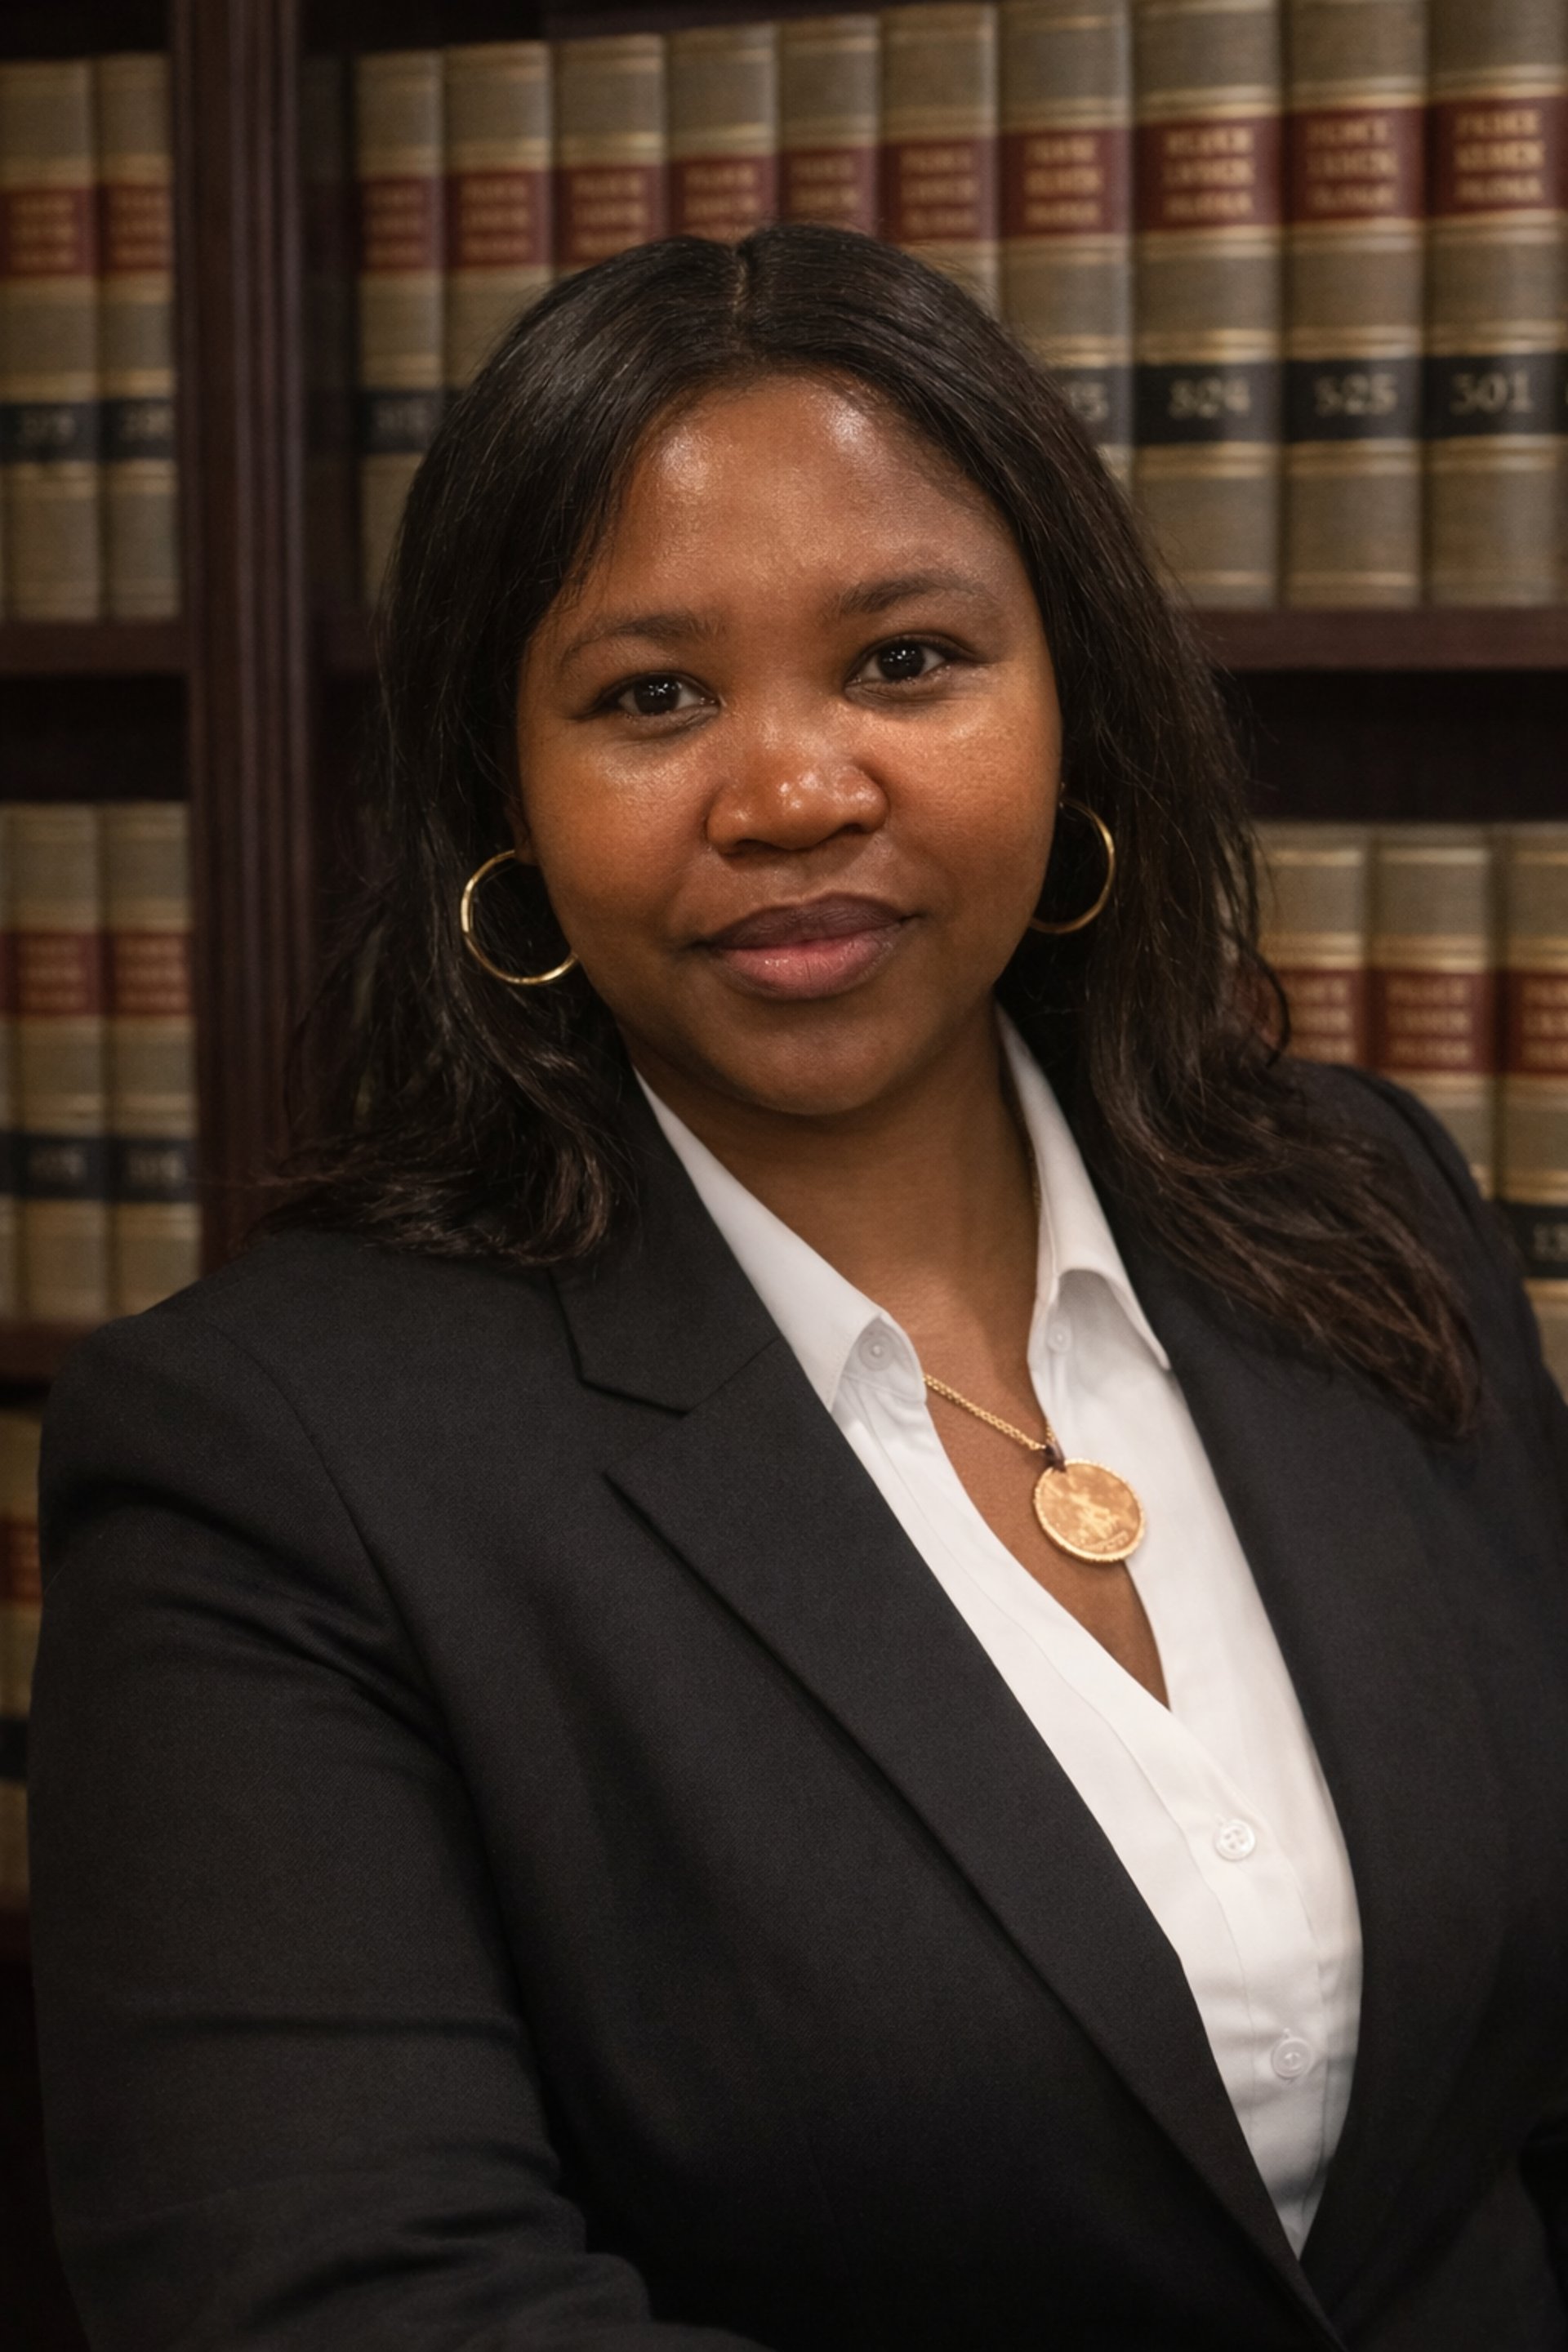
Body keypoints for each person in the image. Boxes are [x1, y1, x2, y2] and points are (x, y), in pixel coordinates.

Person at [28, 225, 1568, 2352]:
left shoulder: (1360, 1202)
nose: (792, 792)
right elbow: (346, 2300)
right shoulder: (272, 1464)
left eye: (906, 660)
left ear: (1072, 699)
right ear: (510, 800)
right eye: (651, 697)